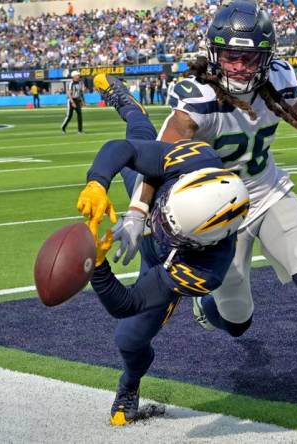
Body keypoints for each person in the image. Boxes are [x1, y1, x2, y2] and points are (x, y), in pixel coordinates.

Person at [119, 2, 297, 439]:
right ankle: (206, 304)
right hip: (218, 216)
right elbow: (161, 158)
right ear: (214, 54)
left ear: (265, 57)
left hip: (269, 193)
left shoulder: (278, 78)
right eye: (230, 55)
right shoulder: (196, 93)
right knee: (237, 322)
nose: (237, 64)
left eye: (249, 56)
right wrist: (138, 213)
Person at [83, 73, 250, 426]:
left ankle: (129, 382)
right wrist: (98, 182)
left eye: (169, 225)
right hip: (166, 190)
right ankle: (129, 104)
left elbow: (126, 303)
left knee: (129, 338)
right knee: (138, 139)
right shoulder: (195, 159)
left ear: (201, 242)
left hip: (167, 262)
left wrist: (96, 266)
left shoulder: (206, 267)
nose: (155, 224)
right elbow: (121, 150)